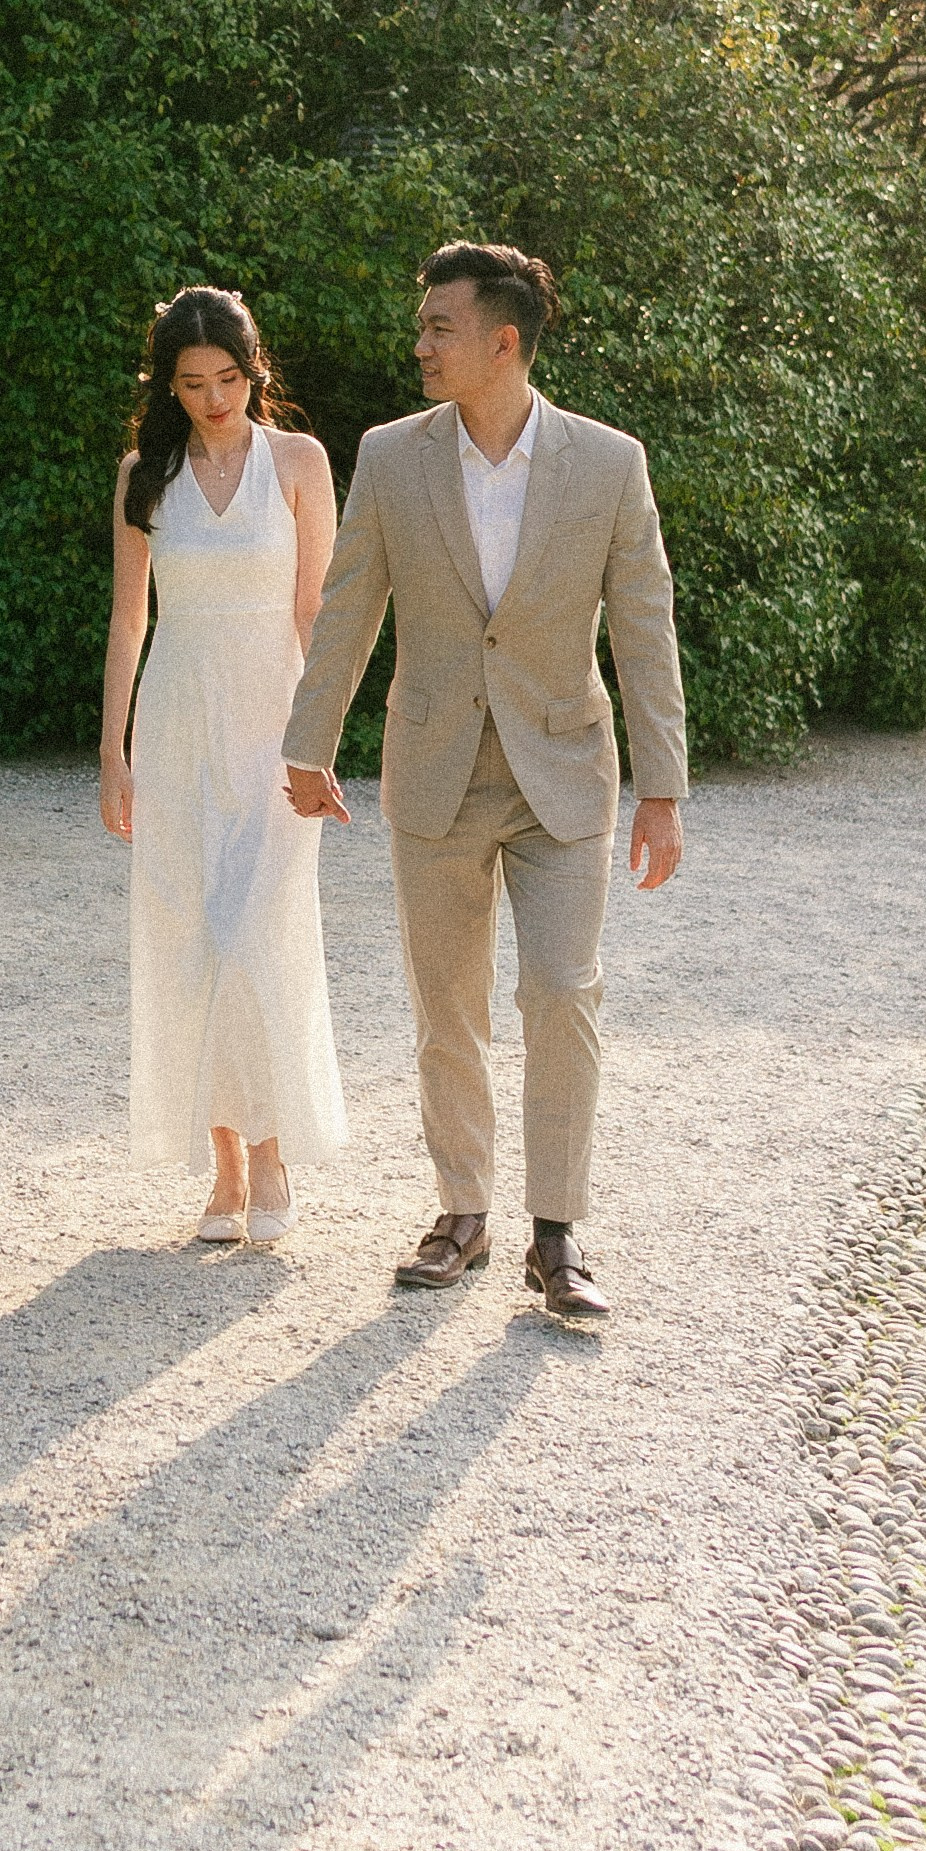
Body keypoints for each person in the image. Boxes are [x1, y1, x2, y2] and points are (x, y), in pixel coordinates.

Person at [279, 243, 687, 1316]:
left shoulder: (608, 464)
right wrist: (307, 742)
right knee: (445, 1007)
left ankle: (556, 1235)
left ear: (502, 342)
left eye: (438, 327)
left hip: (562, 770)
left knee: (562, 992)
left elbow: (645, 631)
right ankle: (461, 1211)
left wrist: (663, 789)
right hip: (435, 770)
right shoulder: (389, 456)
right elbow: (348, 604)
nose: (418, 344)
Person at [100, 287, 349, 1243]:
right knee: (194, 936)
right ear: (168, 386)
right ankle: (225, 1172)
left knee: (258, 934)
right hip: (174, 725)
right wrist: (112, 755)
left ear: (256, 371)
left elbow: (314, 613)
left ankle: (277, 1150)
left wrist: (317, 743)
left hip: (272, 729)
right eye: (193, 384)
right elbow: (130, 621)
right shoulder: (145, 475)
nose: (214, 399)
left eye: (230, 379)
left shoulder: (298, 463)